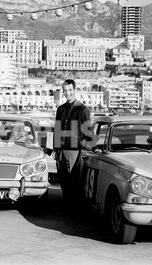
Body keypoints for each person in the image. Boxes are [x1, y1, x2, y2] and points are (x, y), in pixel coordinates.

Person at [53, 79, 93, 215]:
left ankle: (74, 210)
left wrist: (83, 150)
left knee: (73, 181)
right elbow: (57, 130)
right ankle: (66, 207)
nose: (67, 93)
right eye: (65, 90)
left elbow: (90, 135)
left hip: (75, 151)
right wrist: (56, 149)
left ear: (74, 90)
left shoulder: (82, 110)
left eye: (70, 90)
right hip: (61, 150)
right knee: (63, 179)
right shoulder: (61, 109)